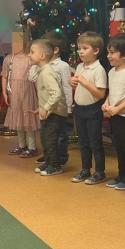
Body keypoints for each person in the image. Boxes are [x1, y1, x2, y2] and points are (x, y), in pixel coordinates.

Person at [70, 32, 107, 185]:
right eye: (79, 48)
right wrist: (71, 82)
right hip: (79, 109)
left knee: (95, 143)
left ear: (96, 51)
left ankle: (100, 172)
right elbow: (77, 85)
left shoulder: (99, 70)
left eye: (85, 48)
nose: (81, 52)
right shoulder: (80, 66)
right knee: (83, 142)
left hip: (93, 110)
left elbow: (100, 93)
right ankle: (86, 169)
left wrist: (85, 82)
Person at [103, 34, 125, 190]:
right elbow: (112, 92)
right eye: (108, 52)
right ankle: (120, 174)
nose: (108, 56)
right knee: (118, 147)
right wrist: (106, 103)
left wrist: (118, 108)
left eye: (112, 52)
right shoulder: (111, 72)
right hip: (114, 116)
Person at [28, 40, 67, 176]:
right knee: (44, 138)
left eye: (32, 52)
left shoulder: (47, 72)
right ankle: (49, 162)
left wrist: (46, 107)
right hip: (48, 111)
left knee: (50, 140)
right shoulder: (42, 71)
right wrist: (41, 109)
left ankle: (55, 166)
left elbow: (56, 93)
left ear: (42, 56)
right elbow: (46, 94)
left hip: (55, 113)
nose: (29, 55)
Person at [37, 30, 73, 168]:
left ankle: (61, 157)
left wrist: (68, 105)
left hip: (59, 107)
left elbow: (67, 86)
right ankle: (50, 157)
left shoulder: (62, 66)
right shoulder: (43, 67)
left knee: (60, 135)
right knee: (47, 135)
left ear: (55, 50)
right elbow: (32, 78)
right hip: (47, 107)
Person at [1, 41, 40, 158]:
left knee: (28, 117)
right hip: (14, 93)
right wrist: (4, 92)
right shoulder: (9, 58)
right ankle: (22, 145)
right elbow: (4, 75)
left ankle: (32, 147)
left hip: (28, 91)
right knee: (18, 117)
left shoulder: (30, 58)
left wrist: (39, 94)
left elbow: (35, 77)